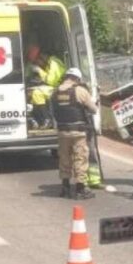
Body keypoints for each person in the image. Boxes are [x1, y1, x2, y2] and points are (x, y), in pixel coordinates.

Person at [52, 68, 97, 200]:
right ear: (77, 79)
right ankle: (80, 189)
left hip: (62, 131)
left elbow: (53, 111)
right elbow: (94, 109)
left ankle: (65, 187)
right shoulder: (80, 91)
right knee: (80, 158)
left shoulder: (55, 92)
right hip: (78, 131)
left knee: (64, 158)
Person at [26, 44, 66, 129]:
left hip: (59, 88)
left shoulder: (54, 62)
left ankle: (47, 119)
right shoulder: (49, 63)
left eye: (37, 61)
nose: (38, 64)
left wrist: (39, 70)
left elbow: (50, 81)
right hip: (54, 87)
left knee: (36, 93)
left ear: (42, 57)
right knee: (32, 92)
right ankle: (39, 119)